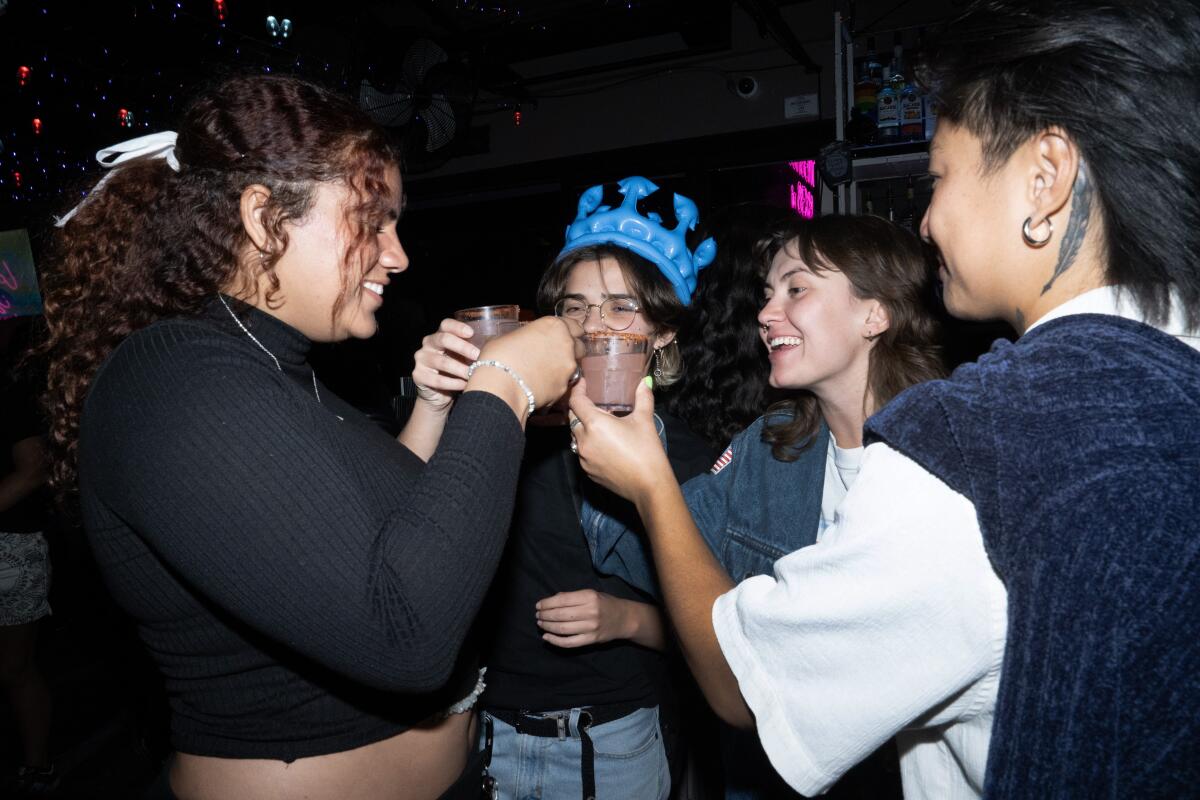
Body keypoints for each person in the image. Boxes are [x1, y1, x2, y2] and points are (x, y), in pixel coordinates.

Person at [570, 0, 1200, 797]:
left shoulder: (964, 455)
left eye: (938, 176)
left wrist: (651, 482)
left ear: (1044, 179)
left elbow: (742, 689)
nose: (928, 220)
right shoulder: (1174, 376)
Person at [40, 74, 577, 800]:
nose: (398, 255)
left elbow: (392, 542)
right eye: (372, 221)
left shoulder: (272, 366)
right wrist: (501, 390)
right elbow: (406, 634)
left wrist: (437, 406)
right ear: (264, 218)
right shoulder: (172, 377)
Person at [583, 214, 939, 799]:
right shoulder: (774, 443)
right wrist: (602, 414)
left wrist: (649, 481)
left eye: (796, 289)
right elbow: (654, 559)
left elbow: (753, 692)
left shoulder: (938, 468)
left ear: (876, 313)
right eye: (767, 294)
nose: (767, 313)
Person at [474, 177, 719, 800]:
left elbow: (735, 636)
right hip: (491, 730)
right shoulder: (507, 427)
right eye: (575, 306)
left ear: (663, 332)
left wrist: (627, 619)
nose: (591, 325)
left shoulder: (689, 458)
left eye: (619, 306)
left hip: (612, 740)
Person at [0, 317, 55, 795]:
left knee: (15, 668)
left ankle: (39, 767)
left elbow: (34, 470)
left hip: (11, 547)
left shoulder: (13, 385)